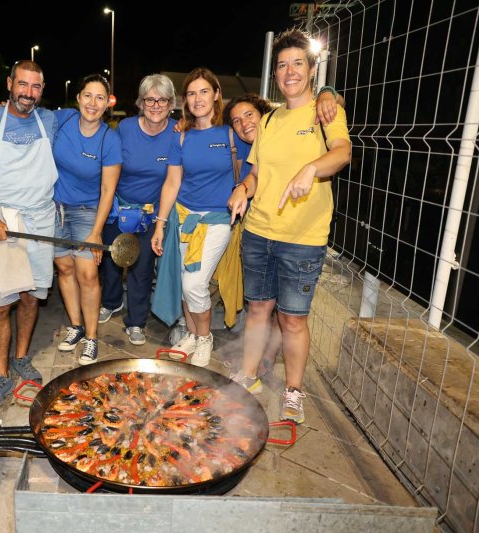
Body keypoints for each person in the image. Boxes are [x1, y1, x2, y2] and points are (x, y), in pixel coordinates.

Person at [228, 29, 351, 424]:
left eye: (298, 63)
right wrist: (242, 189)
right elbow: (258, 172)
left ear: (312, 69)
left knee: (293, 319)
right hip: (259, 231)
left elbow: (342, 153)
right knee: (258, 308)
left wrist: (311, 168)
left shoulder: (325, 110)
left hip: (302, 238)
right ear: (276, 76)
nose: (289, 71)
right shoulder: (268, 121)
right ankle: (248, 375)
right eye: (282, 66)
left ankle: (294, 391)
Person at [0, 60, 58, 411]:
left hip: (40, 222)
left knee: (30, 298)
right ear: (9, 83)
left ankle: (21, 357)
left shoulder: (51, 120)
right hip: (2, 223)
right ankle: (1, 373)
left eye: (35, 87)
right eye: (22, 84)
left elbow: (90, 119)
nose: (28, 93)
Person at [151, 67, 240, 367]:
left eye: (204, 91)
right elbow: (172, 183)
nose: (198, 98)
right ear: (185, 99)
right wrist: (160, 225)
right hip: (183, 218)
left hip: (217, 220)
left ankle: (204, 337)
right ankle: (190, 333)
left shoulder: (231, 132)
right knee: (184, 280)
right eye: (191, 93)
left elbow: (251, 172)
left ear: (216, 95)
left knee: (194, 284)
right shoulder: (181, 137)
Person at [99, 74, 177, 346]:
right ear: (141, 103)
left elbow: (175, 179)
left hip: (150, 214)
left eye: (162, 100)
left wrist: (160, 220)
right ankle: (110, 302)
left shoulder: (178, 133)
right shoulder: (125, 128)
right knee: (110, 260)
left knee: (141, 268)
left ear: (171, 104)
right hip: (118, 207)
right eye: (150, 99)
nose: (156, 105)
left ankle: (136, 322)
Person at [52, 74, 122, 365]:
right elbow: (27, 117)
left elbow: (108, 190)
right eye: (88, 96)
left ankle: (91, 338)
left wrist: (96, 233)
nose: (93, 103)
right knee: (64, 268)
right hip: (56, 208)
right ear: (78, 98)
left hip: (88, 211)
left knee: (88, 274)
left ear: (107, 104)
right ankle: (76, 326)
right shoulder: (63, 120)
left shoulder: (110, 139)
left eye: (100, 98)